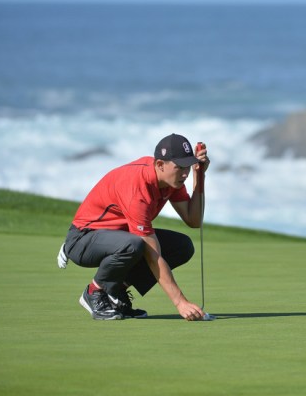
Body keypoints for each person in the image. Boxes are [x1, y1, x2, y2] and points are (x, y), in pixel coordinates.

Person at [57, 133, 210, 321]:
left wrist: (199, 175)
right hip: (82, 239)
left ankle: (116, 293)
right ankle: (94, 291)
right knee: (135, 245)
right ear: (160, 165)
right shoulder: (137, 188)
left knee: (182, 246)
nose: (185, 173)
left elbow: (193, 220)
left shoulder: (172, 180)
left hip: (117, 236)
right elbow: (153, 255)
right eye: (180, 167)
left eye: (188, 167)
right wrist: (180, 302)